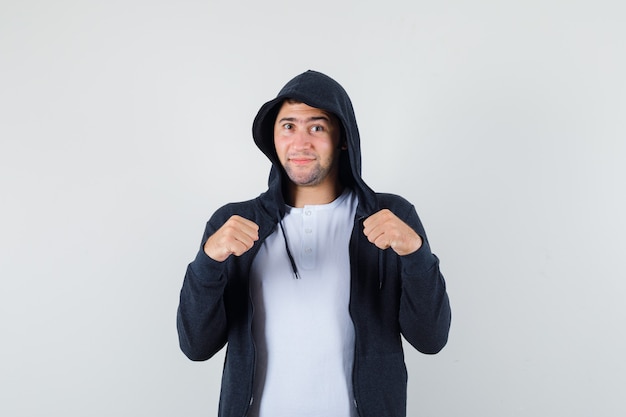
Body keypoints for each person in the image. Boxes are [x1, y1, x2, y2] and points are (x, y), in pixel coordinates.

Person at [177, 70, 451, 417]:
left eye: (317, 127)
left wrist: (416, 256)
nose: (301, 143)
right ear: (273, 139)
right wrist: (207, 264)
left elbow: (431, 339)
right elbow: (195, 346)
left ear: (343, 138)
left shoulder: (390, 217)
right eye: (288, 126)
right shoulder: (234, 225)